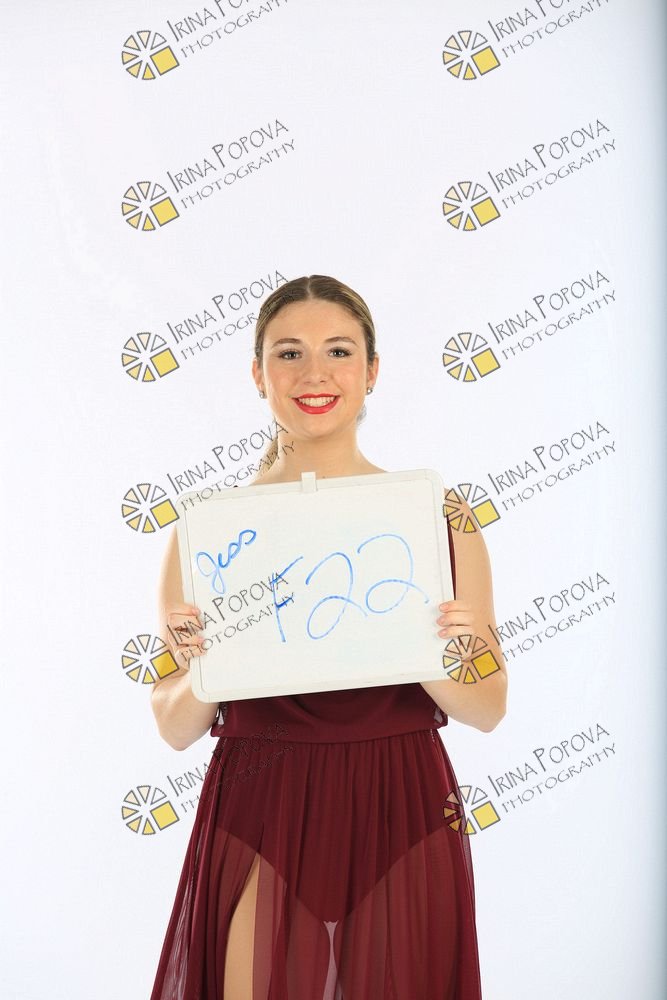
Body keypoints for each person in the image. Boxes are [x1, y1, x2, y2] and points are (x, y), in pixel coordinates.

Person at [149, 274, 507, 999]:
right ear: (258, 375)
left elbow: (487, 708)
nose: (314, 373)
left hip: (399, 793)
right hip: (262, 797)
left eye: (338, 351)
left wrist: (427, 642)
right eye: (289, 353)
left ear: (371, 372)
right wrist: (207, 666)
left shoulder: (441, 519)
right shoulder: (207, 529)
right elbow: (174, 726)